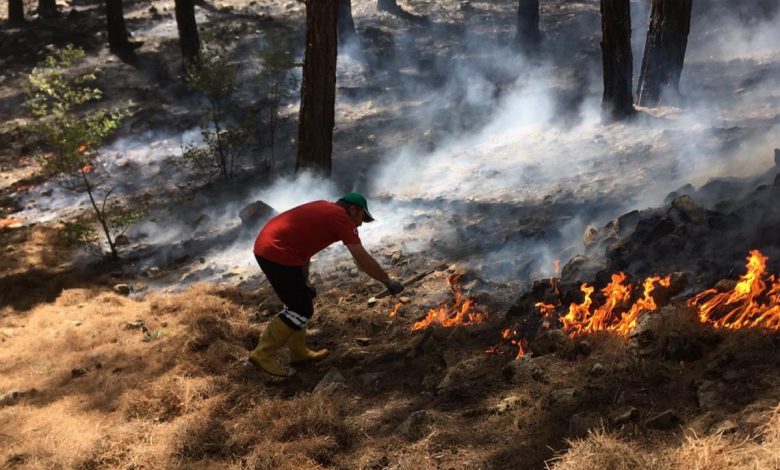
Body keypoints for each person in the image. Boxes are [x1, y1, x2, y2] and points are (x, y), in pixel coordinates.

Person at [249, 192, 404, 376]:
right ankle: (262, 354)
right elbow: (361, 258)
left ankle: (298, 353)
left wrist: (303, 281)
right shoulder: (341, 217)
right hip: (276, 251)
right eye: (362, 217)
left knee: (300, 300)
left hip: (268, 246)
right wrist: (387, 281)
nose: (361, 224)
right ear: (354, 209)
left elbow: (304, 248)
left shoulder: (325, 208)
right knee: (301, 309)